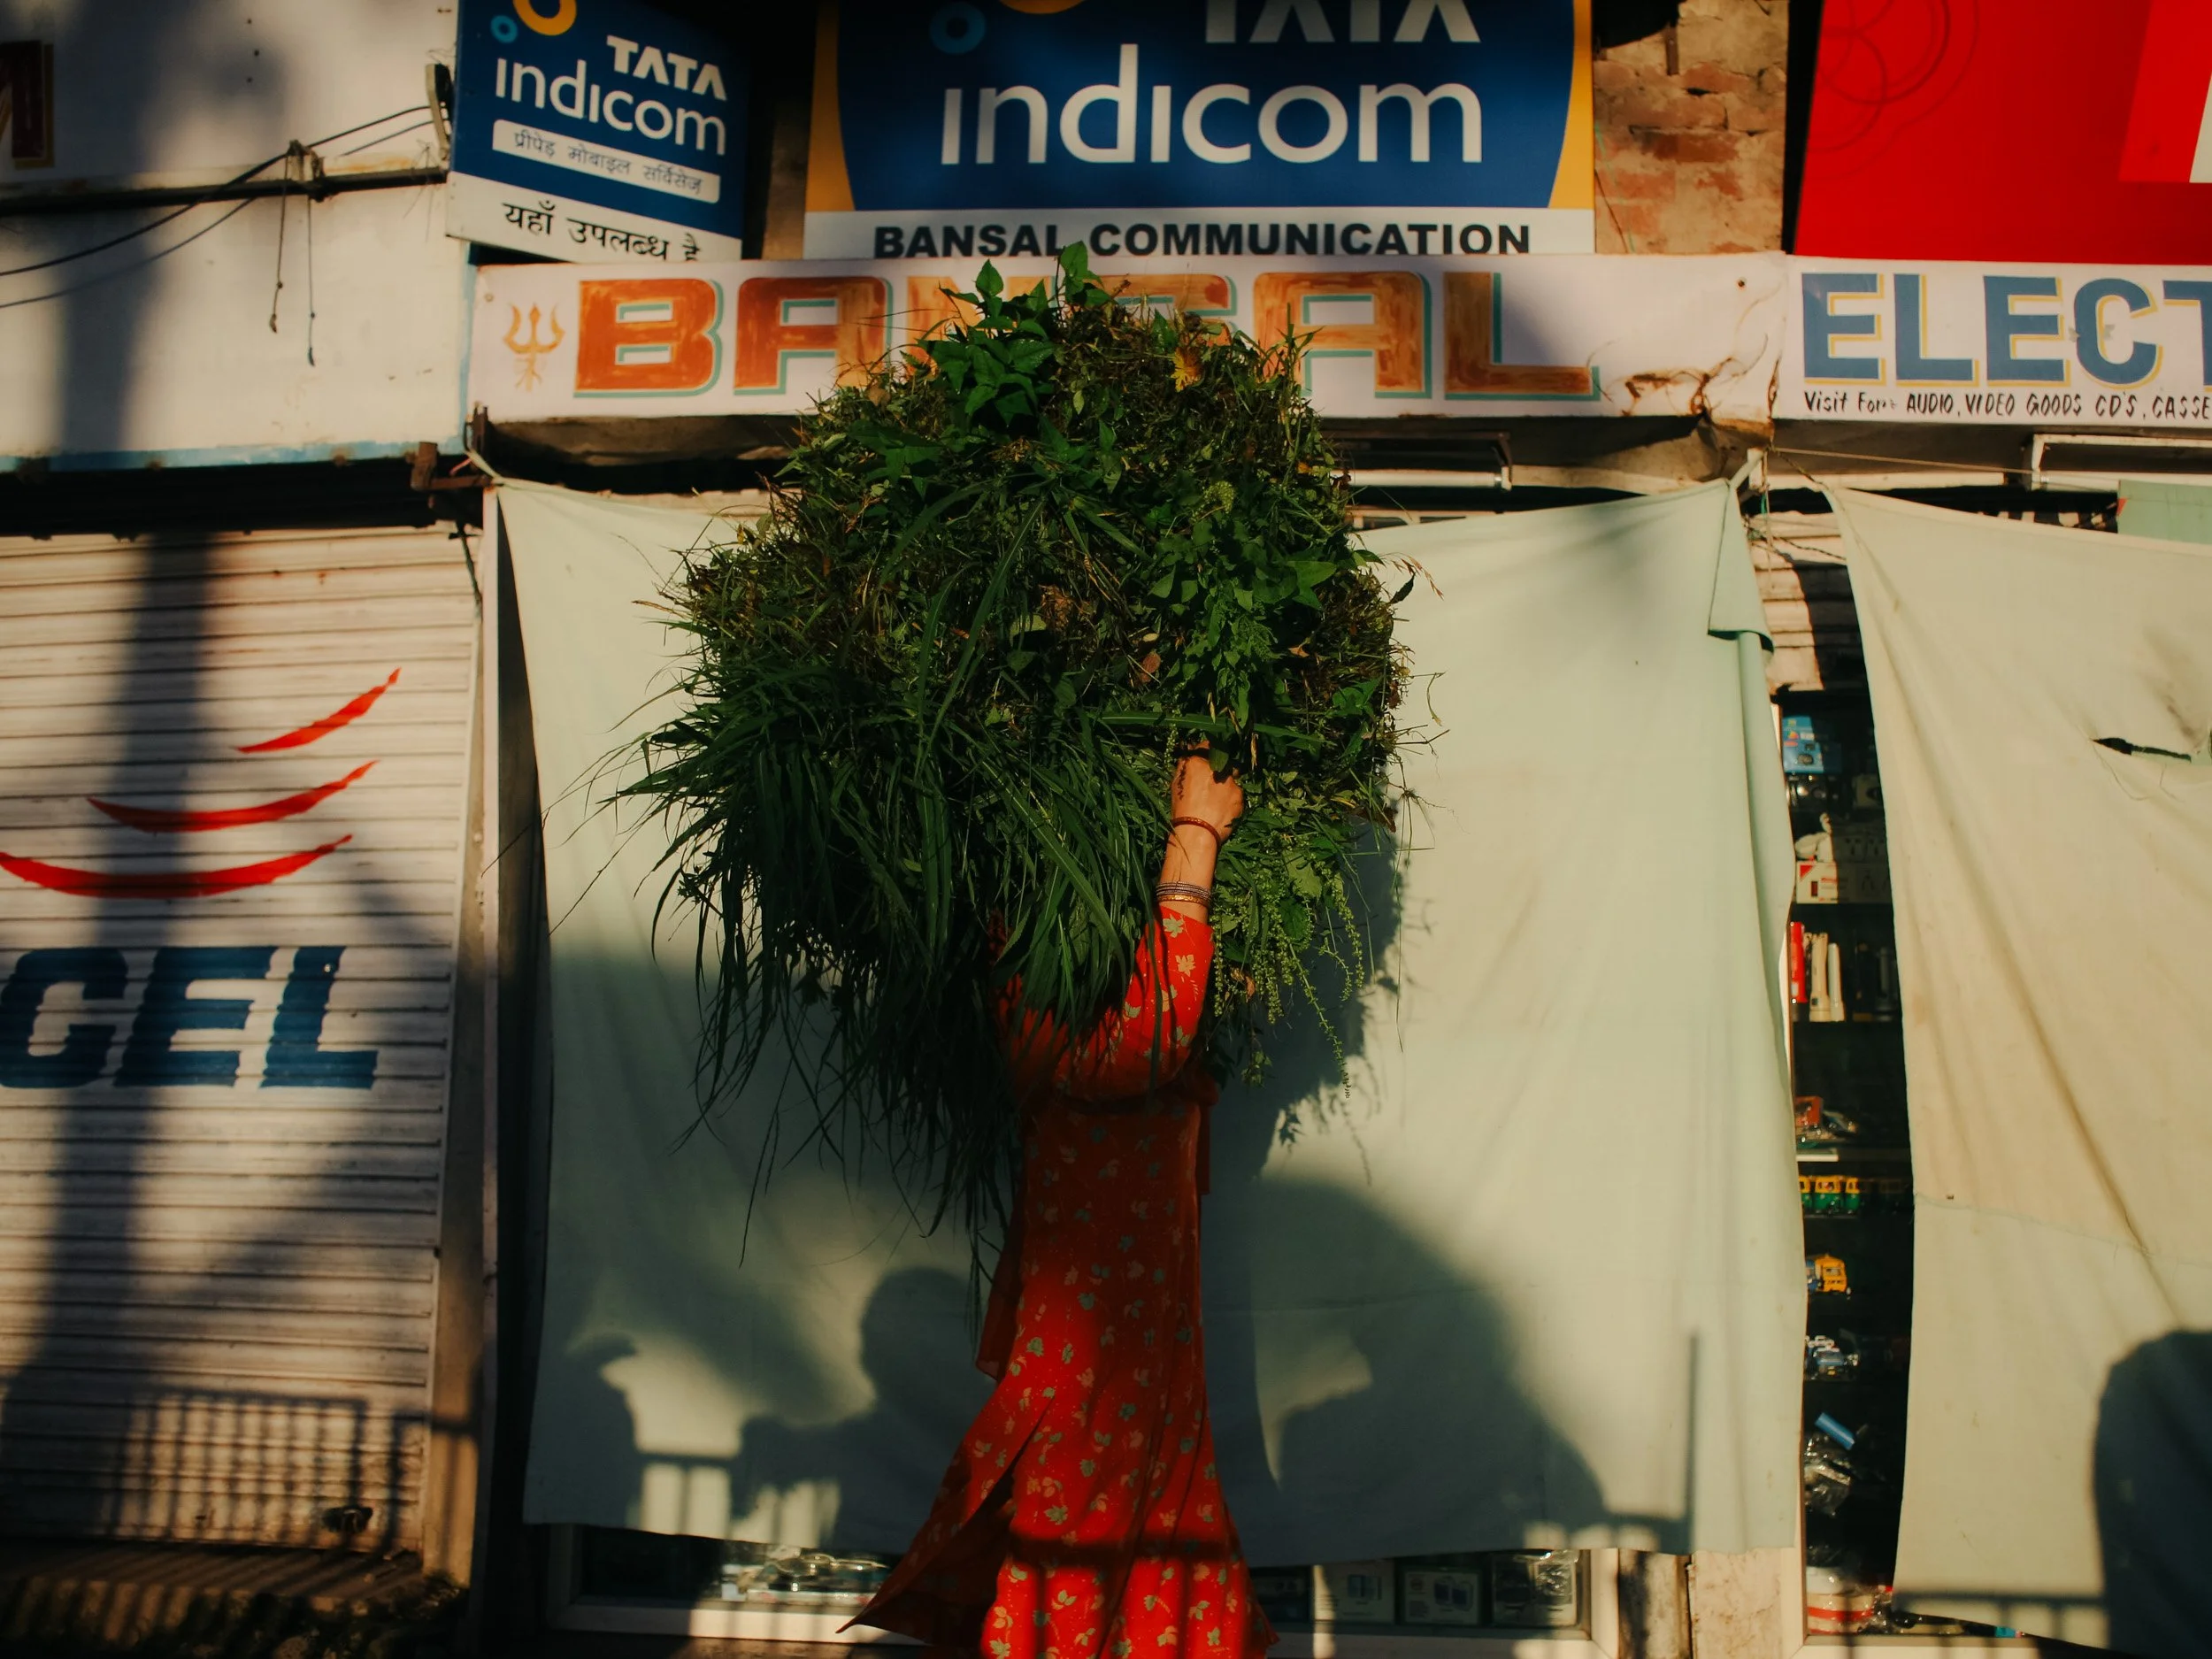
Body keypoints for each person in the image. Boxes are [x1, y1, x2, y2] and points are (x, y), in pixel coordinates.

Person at [853, 755, 1274, 1659]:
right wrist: (1192, 848)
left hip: (1147, 1294)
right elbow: (1135, 1050)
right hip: (1096, 1304)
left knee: (1149, 1487)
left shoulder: (1089, 938)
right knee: (1081, 1495)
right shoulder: (1029, 940)